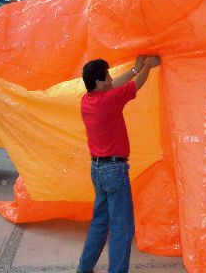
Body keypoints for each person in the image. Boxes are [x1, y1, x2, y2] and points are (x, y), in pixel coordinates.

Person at [77, 55, 161, 273]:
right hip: (114, 170)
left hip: (97, 170)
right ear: (98, 82)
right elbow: (135, 86)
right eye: (107, 76)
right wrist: (148, 68)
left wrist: (135, 69)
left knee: (99, 223)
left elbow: (116, 85)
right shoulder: (108, 101)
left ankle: (84, 268)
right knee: (121, 228)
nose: (111, 78)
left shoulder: (86, 101)